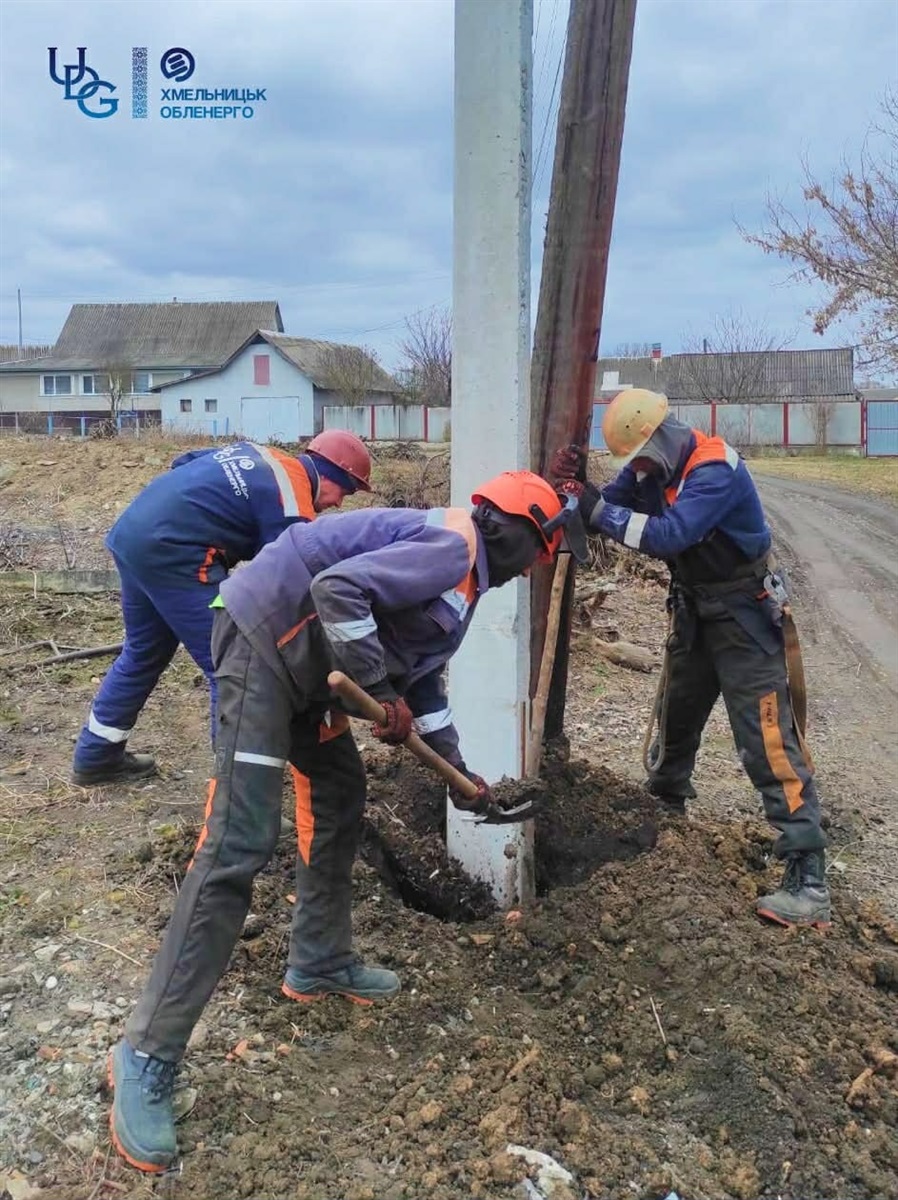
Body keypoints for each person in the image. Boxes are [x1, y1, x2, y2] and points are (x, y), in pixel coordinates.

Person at [106, 470, 574, 1174]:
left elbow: (420, 683)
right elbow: (336, 594)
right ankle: (145, 1052)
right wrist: (378, 694)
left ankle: (318, 960)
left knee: (340, 793)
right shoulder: (453, 548)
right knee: (239, 843)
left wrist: (460, 775)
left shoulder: (463, 581)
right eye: (537, 550)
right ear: (509, 528)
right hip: (265, 647)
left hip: (308, 670)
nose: (532, 568)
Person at [552, 388, 830, 931]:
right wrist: (581, 489)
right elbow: (614, 503)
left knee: (766, 739)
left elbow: (670, 534)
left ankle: (808, 876)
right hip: (695, 610)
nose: (637, 471)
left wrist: (597, 509)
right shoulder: (653, 467)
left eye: (638, 460)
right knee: (676, 719)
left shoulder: (714, 468)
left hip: (744, 617)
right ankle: (665, 812)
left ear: (659, 439)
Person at [71, 430, 372, 786]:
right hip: (176, 553)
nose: (339, 503)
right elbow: (294, 583)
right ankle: (234, 795)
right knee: (232, 663)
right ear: (328, 474)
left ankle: (97, 756)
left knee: (143, 652)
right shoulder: (293, 505)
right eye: (346, 491)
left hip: (135, 534)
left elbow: (184, 463)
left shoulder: (262, 453)